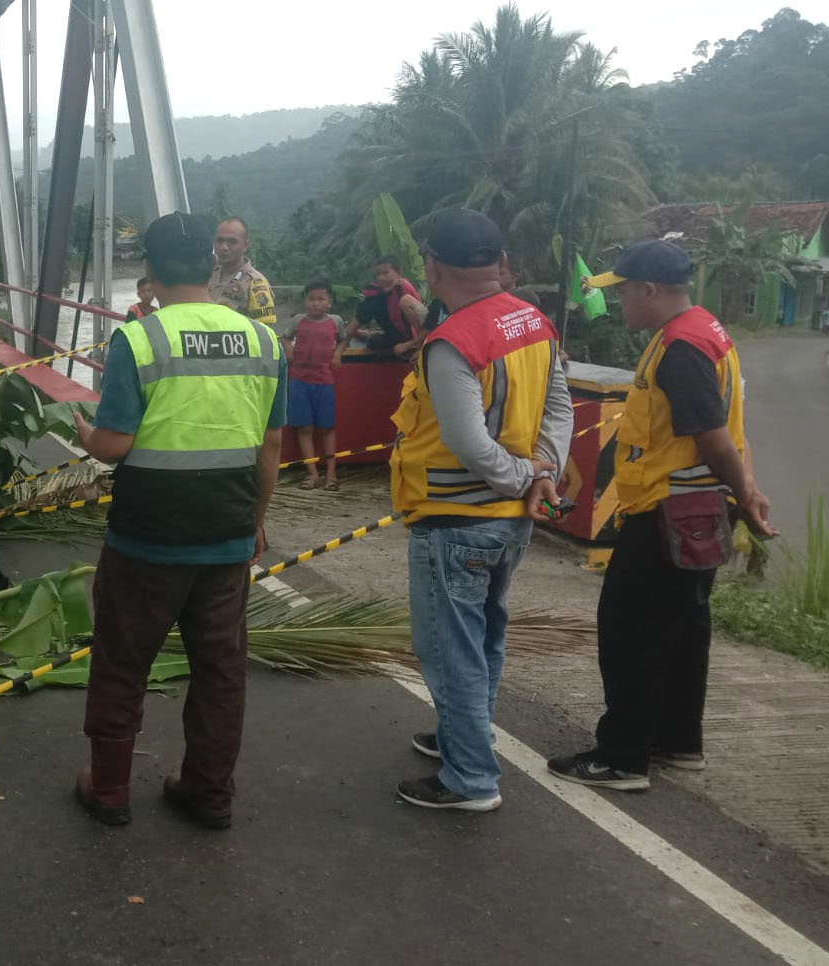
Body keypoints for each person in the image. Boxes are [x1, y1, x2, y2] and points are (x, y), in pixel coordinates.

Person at [71, 211, 284, 830]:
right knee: (220, 670)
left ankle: (110, 789)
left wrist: (85, 433)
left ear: (151, 272)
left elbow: (115, 444)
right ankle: (208, 793)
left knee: (121, 661)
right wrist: (257, 521)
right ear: (214, 265)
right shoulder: (264, 341)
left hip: (147, 540)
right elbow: (271, 445)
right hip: (226, 536)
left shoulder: (140, 339)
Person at [548, 240, 776, 791]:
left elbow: (714, 436)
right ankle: (677, 741)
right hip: (698, 511)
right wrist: (744, 490)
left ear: (650, 290)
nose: (619, 302)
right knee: (683, 627)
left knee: (632, 630)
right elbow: (725, 429)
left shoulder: (681, 349)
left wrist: (746, 494)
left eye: (623, 292)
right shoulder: (705, 331)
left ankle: (621, 757)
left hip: (668, 512)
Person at [389, 209, 573, 811]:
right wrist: (542, 471)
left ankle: (470, 779)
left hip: (455, 518)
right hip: (510, 519)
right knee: (486, 634)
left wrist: (527, 474)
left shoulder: (453, 342)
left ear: (434, 267)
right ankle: (461, 738)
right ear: (497, 263)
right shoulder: (533, 322)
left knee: (450, 649)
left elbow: (469, 443)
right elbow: (560, 408)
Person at [286, 279, 344, 490]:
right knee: (304, 429)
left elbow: (343, 339)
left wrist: (337, 353)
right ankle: (312, 474)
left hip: (324, 381)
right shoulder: (297, 321)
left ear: (329, 302)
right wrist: (289, 349)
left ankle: (331, 475)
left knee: (328, 428)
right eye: (311, 299)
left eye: (321, 299)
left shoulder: (335, 321)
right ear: (305, 301)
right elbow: (284, 338)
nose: (315, 303)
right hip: (299, 381)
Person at [342, 254, 426, 358]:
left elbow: (422, 322)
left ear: (398, 272)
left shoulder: (403, 287)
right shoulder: (377, 294)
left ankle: (420, 344)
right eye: (378, 274)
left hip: (415, 336)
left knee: (375, 340)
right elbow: (360, 314)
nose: (381, 278)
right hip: (396, 336)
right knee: (374, 341)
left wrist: (411, 344)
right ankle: (361, 335)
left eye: (386, 273)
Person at [208, 217, 277, 327]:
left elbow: (264, 330)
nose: (224, 247)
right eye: (219, 241)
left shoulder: (255, 282)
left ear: (246, 245)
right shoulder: (207, 274)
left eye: (232, 242)